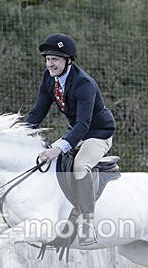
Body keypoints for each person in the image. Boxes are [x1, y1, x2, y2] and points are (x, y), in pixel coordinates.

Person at [25, 33, 115, 246]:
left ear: (68, 60)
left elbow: (84, 124)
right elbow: (38, 111)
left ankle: (87, 225)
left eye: (55, 59)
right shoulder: (49, 79)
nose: (50, 63)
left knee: (80, 166)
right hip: (77, 131)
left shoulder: (84, 84)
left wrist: (58, 147)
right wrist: (20, 134)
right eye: (47, 59)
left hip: (98, 133)